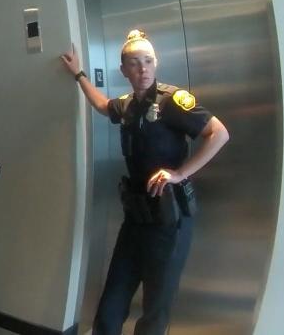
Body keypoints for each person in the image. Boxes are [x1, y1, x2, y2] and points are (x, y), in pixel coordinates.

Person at [61, 29, 229, 335]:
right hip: (136, 218)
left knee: (156, 306)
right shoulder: (127, 105)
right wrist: (79, 75)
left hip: (170, 219)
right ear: (124, 70)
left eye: (148, 60)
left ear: (157, 62)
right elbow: (102, 105)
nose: (143, 69)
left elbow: (219, 134)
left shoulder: (173, 101)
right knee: (113, 298)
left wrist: (180, 173)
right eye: (135, 63)